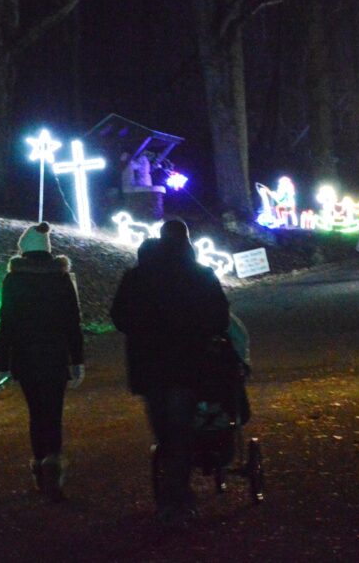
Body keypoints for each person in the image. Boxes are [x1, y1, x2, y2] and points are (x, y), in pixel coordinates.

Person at [110, 219, 229, 523]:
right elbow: (220, 317)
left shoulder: (137, 277)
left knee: (164, 432)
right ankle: (177, 497)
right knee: (181, 433)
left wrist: (142, 332)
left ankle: (168, 497)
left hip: (149, 369)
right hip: (187, 366)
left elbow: (119, 317)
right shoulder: (199, 275)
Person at [0, 222, 84, 502]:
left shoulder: (15, 279)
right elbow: (73, 322)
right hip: (56, 357)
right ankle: (53, 472)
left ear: (24, 250)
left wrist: (2, 365)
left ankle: (39, 468)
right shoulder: (61, 278)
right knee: (53, 414)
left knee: (36, 414)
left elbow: (6, 323)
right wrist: (77, 360)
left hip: (26, 357)